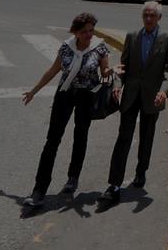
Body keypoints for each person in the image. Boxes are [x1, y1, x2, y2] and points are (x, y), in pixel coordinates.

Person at [22, 12, 113, 208]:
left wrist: (112, 71)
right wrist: (33, 91)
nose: (89, 35)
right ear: (76, 32)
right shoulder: (66, 47)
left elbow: (105, 72)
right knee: (52, 140)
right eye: (85, 31)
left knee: (80, 136)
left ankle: (73, 177)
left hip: (86, 96)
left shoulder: (99, 47)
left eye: (91, 30)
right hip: (65, 94)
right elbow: (52, 71)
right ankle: (39, 190)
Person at [99, 1, 168, 206]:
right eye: (146, 15)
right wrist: (118, 84)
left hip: (153, 96)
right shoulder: (133, 36)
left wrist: (164, 91)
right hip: (131, 96)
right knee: (123, 138)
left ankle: (141, 170)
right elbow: (123, 65)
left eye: (152, 15)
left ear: (159, 17)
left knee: (146, 137)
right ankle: (114, 185)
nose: (149, 19)